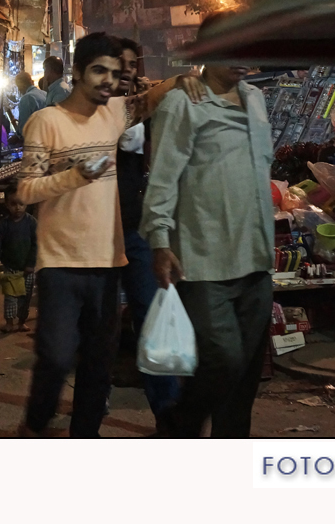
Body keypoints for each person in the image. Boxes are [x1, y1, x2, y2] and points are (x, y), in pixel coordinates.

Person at [15, 32, 186, 437]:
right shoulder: (46, 121)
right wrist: (74, 176)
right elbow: (26, 190)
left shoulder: (114, 114)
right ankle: (34, 428)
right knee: (57, 358)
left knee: (98, 364)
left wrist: (188, 77)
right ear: (76, 72)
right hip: (60, 263)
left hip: (108, 262)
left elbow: (151, 98)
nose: (108, 81)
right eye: (98, 71)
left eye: (113, 72)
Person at [140, 19, 275, 439]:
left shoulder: (256, 100)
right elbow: (163, 179)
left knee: (245, 380)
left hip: (256, 259)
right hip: (203, 262)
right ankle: (180, 423)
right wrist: (160, 241)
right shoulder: (183, 103)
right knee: (224, 360)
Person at [113, 38, 190, 428]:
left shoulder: (141, 110)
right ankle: (90, 413)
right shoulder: (96, 111)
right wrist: (181, 80)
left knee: (151, 318)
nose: (127, 72)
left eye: (132, 65)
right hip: (97, 237)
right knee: (100, 329)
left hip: (136, 230)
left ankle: (168, 416)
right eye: (120, 64)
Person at [0, 191, 38, 333]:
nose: (17, 208)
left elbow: (36, 245)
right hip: (10, 268)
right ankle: (9, 323)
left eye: (21, 204)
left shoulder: (32, 223)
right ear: (7, 205)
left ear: (26, 204)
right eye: (13, 204)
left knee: (25, 297)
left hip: (27, 270)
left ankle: (21, 322)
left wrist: (31, 264)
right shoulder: (3, 225)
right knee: (10, 298)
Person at [15, 71, 45, 138]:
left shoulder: (26, 98)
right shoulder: (44, 93)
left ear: (22, 85)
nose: (19, 90)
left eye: (18, 87)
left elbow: (23, 129)